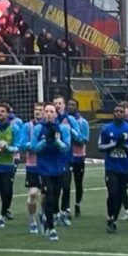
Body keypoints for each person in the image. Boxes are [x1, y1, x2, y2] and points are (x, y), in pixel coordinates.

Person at [97, 105, 128, 233]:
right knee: (112, 193)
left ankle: (113, 220)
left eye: (121, 111)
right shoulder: (106, 128)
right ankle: (110, 216)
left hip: (125, 167)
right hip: (111, 167)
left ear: (124, 114)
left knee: (120, 195)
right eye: (116, 111)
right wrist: (113, 145)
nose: (118, 113)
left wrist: (124, 146)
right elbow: (100, 147)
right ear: (113, 113)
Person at [33, 104, 71, 242]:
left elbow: (66, 148)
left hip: (59, 168)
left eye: (51, 111)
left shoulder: (63, 128)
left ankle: (45, 215)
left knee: (55, 197)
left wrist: (56, 141)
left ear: (56, 114)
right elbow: (34, 148)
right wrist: (44, 142)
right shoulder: (38, 128)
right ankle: (51, 228)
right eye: (46, 111)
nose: (49, 114)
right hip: (44, 168)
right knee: (49, 197)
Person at [0, 102, 23, 228]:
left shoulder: (14, 128)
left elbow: (18, 146)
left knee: (6, 190)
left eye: (3, 111)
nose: (0, 113)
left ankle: (2, 215)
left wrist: (7, 148)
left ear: (8, 113)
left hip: (7, 164)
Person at [52, 95, 76, 225]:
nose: (57, 106)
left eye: (60, 103)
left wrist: (70, 130)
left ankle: (65, 209)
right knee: (54, 187)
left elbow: (80, 137)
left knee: (66, 185)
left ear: (64, 105)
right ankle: (54, 212)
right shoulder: (49, 120)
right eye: (55, 103)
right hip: (52, 158)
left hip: (66, 158)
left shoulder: (69, 119)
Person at [22, 102, 46, 234]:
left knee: (45, 196)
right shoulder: (27, 126)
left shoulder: (48, 127)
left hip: (46, 166)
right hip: (32, 166)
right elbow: (22, 144)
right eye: (36, 109)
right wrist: (35, 145)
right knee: (32, 194)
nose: (37, 112)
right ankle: (32, 219)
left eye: (40, 110)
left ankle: (43, 213)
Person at [64, 99, 89, 217]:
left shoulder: (82, 122)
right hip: (67, 157)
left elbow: (84, 139)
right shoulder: (63, 120)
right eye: (69, 104)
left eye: (73, 105)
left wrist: (73, 134)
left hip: (79, 156)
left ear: (77, 107)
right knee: (66, 183)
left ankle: (77, 204)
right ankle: (67, 207)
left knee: (78, 183)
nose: (70, 107)